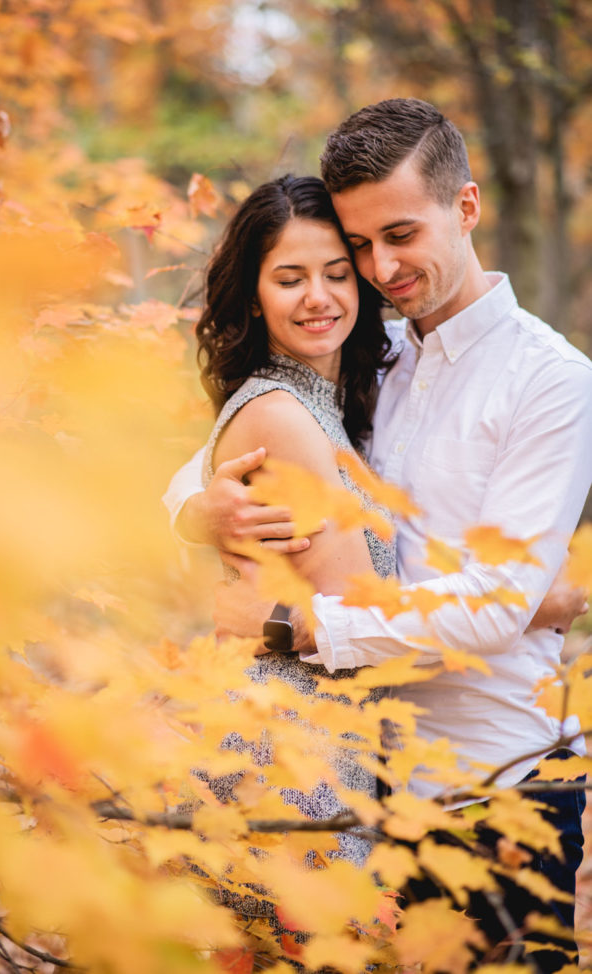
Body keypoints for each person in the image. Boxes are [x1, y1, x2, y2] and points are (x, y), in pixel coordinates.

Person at [164, 99, 592, 970]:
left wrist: (296, 627)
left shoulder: (551, 384)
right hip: (356, 792)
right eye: (360, 245)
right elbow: (243, 436)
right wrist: (194, 509)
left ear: (466, 208)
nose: (380, 267)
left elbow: (489, 613)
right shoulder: (372, 357)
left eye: (401, 234)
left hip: (487, 793)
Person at [193, 173, 397, 870]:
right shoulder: (282, 413)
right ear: (252, 293)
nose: (319, 296)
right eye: (290, 278)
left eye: (337, 273)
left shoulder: (318, 404)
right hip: (292, 752)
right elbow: (367, 618)